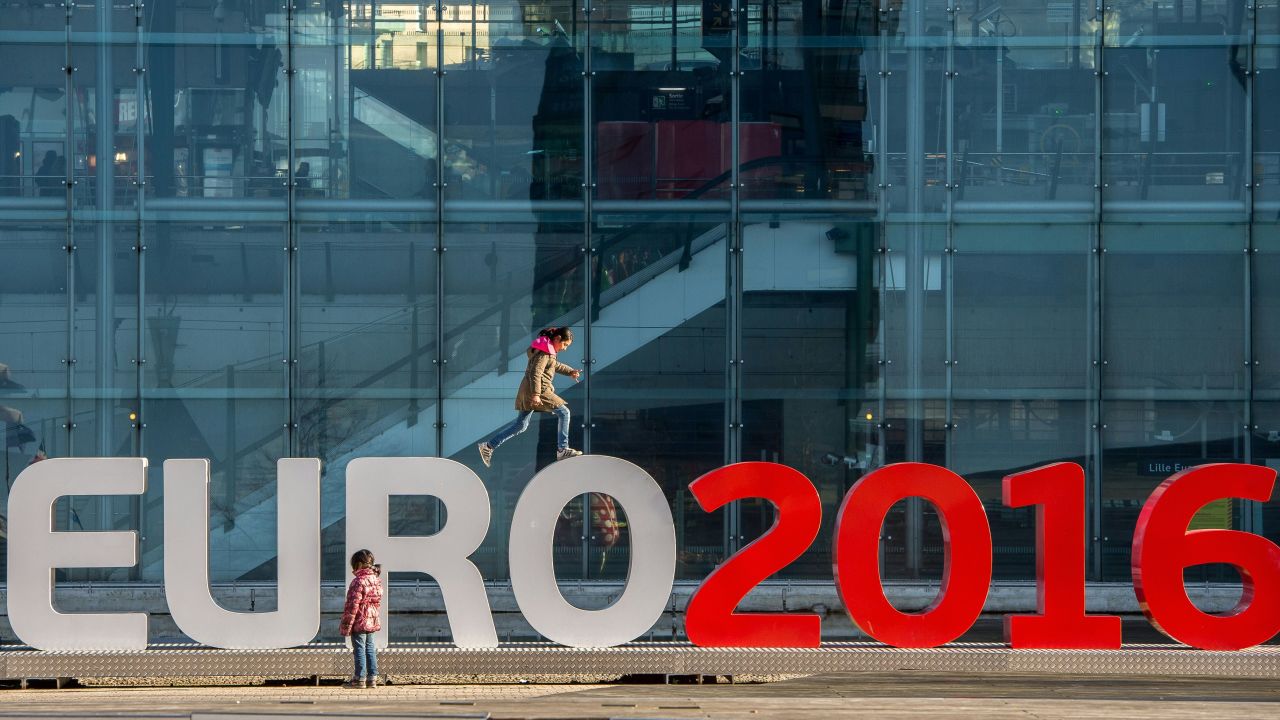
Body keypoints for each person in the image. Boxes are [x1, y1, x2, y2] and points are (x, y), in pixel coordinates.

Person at [477, 326, 582, 467]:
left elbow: (554, 365)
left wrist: (570, 371)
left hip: (530, 390)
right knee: (564, 412)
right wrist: (536, 394)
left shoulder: (547, 350)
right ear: (557, 338)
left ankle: (488, 446)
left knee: (521, 425)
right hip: (540, 390)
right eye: (565, 344)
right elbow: (535, 373)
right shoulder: (545, 352)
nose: (564, 348)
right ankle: (562, 449)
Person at [338, 549, 383, 689]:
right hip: (372, 619)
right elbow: (378, 600)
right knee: (370, 648)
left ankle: (359, 679)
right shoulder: (376, 579)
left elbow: (352, 605)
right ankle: (372, 678)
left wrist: (346, 626)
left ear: (357, 565)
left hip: (359, 620)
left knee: (359, 649)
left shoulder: (358, 581)